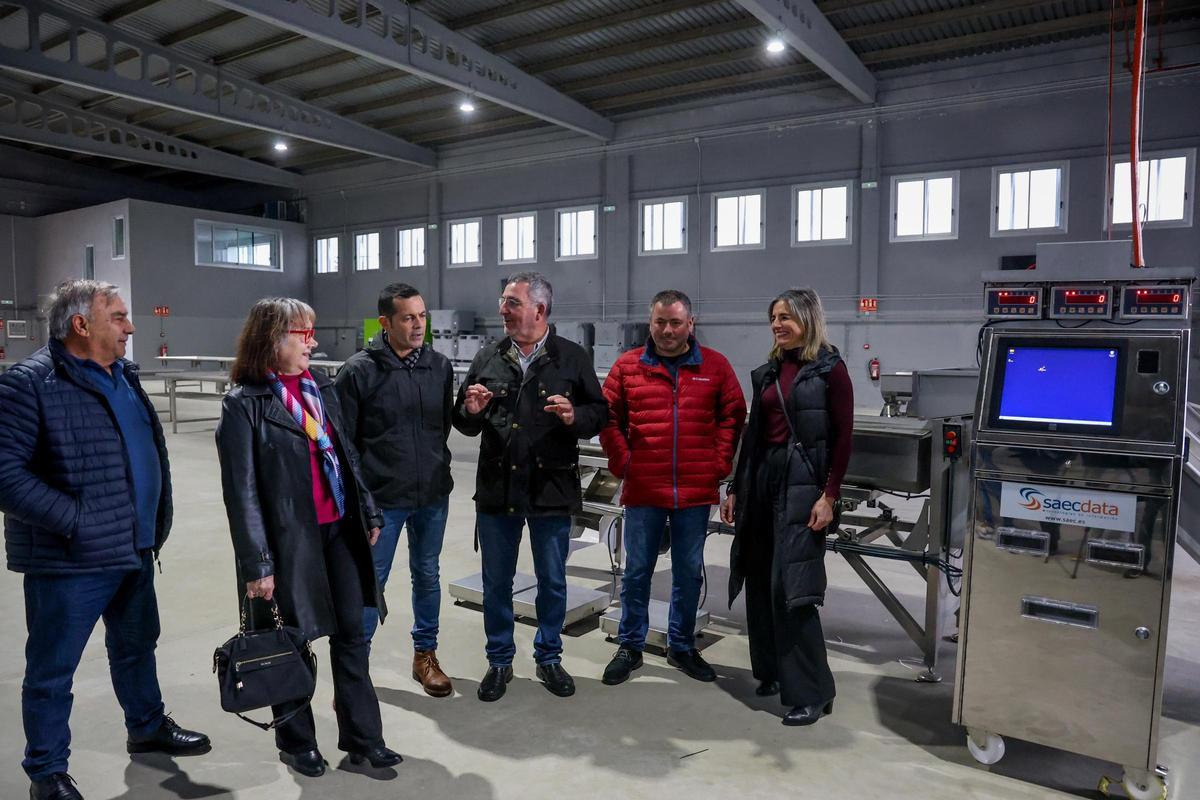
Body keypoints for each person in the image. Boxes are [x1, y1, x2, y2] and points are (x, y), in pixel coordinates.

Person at [0, 280, 209, 800]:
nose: (130, 327)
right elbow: (5, 474)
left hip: (134, 547)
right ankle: (47, 772)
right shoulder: (29, 384)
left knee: (137, 647)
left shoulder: (125, 376)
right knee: (53, 670)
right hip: (69, 560)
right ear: (81, 325)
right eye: (118, 317)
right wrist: (76, 519)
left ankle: (146, 727)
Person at [216, 297, 401, 777]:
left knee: (352, 635)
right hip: (286, 544)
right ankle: (297, 742)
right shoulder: (245, 404)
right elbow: (242, 494)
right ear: (272, 338)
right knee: (290, 640)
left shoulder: (321, 387)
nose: (313, 342)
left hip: (339, 531)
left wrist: (369, 508)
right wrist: (258, 564)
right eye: (303, 333)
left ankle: (365, 738)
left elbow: (347, 456)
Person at [452, 271, 607, 702]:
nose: (503, 309)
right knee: (496, 582)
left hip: (550, 491)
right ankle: (499, 660)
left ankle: (549, 657)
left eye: (512, 302)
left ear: (539, 309)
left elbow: (600, 414)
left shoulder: (571, 358)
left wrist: (576, 417)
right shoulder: (488, 357)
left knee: (552, 581)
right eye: (503, 301)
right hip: (498, 490)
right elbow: (463, 423)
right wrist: (471, 409)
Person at [598, 290, 745, 685]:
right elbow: (607, 417)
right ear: (651, 323)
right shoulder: (627, 367)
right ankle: (629, 644)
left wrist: (718, 463)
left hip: (695, 492)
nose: (667, 330)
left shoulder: (715, 367)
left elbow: (733, 414)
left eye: (675, 322)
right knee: (637, 571)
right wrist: (624, 462)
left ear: (690, 324)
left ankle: (681, 646)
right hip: (644, 488)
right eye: (660, 322)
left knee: (688, 572)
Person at [721, 288, 853, 726]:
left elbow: (844, 439)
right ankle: (772, 672)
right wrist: (737, 488)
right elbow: (752, 435)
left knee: (791, 587)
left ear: (807, 319)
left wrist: (829, 495)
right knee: (758, 577)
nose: (777, 324)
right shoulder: (767, 373)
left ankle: (812, 691)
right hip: (761, 479)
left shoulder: (830, 371)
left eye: (786, 317)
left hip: (802, 485)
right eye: (773, 317)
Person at [334, 282, 454, 698]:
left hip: (432, 496)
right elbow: (344, 445)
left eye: (422, 316)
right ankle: (354, 670)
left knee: (428, 575)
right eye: (408, 317)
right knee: (372, 581)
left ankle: (426, 656)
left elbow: (442, 428)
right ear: (385, 322)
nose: (418, 325)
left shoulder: (439, 366)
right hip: (382, 502)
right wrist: (361, 502)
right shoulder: (358, 371)